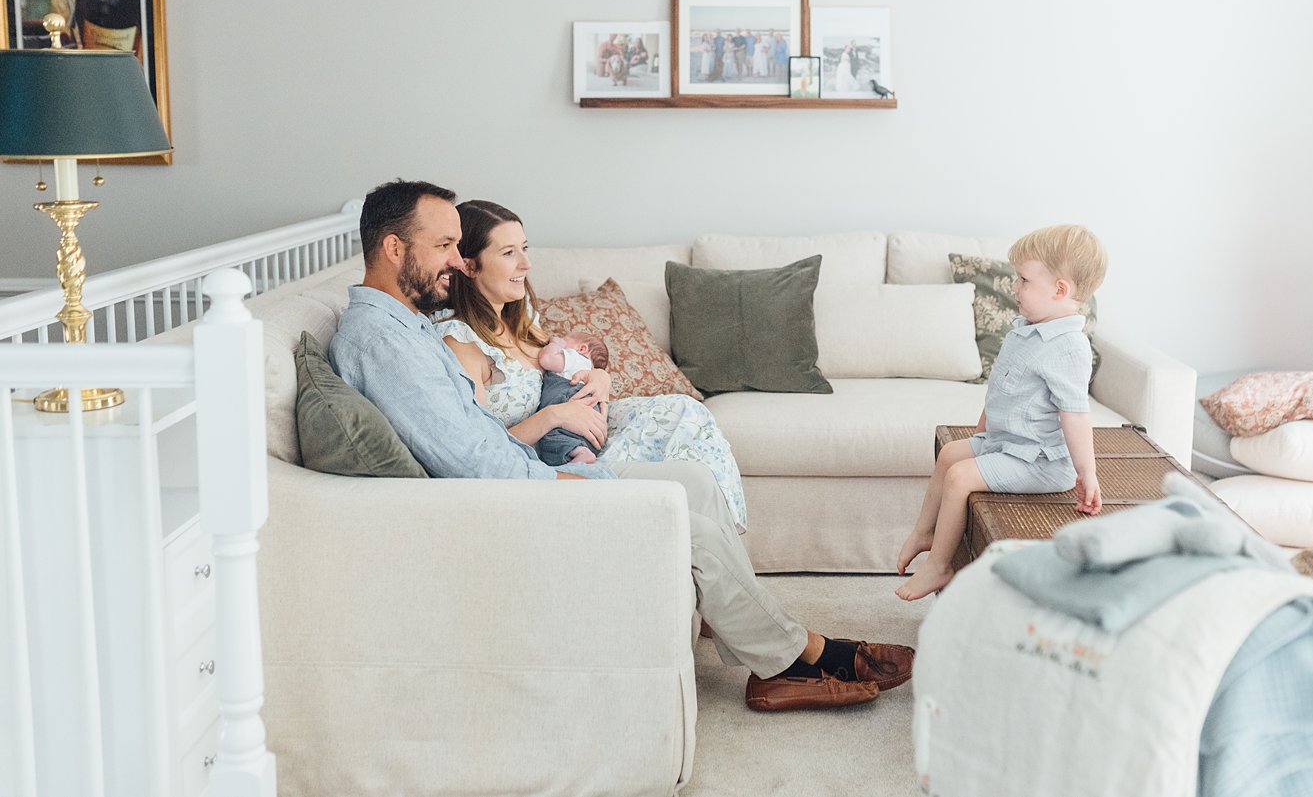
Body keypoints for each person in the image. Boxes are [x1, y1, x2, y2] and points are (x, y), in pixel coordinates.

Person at [329, 180, 914, 711]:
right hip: (509, 501)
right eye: (445, 246)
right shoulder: (382, 342)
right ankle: (799, 656)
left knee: (695, 481)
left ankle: (759, 656)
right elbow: (472, 463)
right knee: (694, 529)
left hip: (520, 476)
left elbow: (478, 438)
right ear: (394, 249)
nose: (458, 262)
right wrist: (577, 481)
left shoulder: (406, 323)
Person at [439, 198, 747, 529]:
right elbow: (480, 450)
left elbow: (568, 365)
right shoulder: (462, 344)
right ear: (469, 266)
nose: (526, 264)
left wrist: (600, 376)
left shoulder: (523, 320)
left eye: (525, 249)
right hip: (554, 458)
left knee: (687, 415)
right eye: (509, 253)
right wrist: (554, 416)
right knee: (691, 479)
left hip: (585, 434)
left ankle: (715, 547)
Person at [895, 224, 1108, 601]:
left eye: (1024, 280)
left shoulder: (1068, 347)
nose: (1014, 287)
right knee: (950, 455)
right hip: (1008, 444)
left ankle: (939, 566)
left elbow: (1074, 414)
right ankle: (925, 533)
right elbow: (1001, 391)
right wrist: (981, 437)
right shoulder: (1025, 330)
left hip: (1040, 462)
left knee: (961, 477)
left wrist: (1086, 474)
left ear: (1060, 290)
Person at [534, 330, 610, 466]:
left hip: (570, 399)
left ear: (582, 348)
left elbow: (547, 359)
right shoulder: (587, 370)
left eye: (565, 340)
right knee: (569, 438)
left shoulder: (574, 358)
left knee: (550, 438)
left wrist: (555, 343)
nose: (561, 343)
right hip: (593, 422)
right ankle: (580, 451)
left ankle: (579, 453)